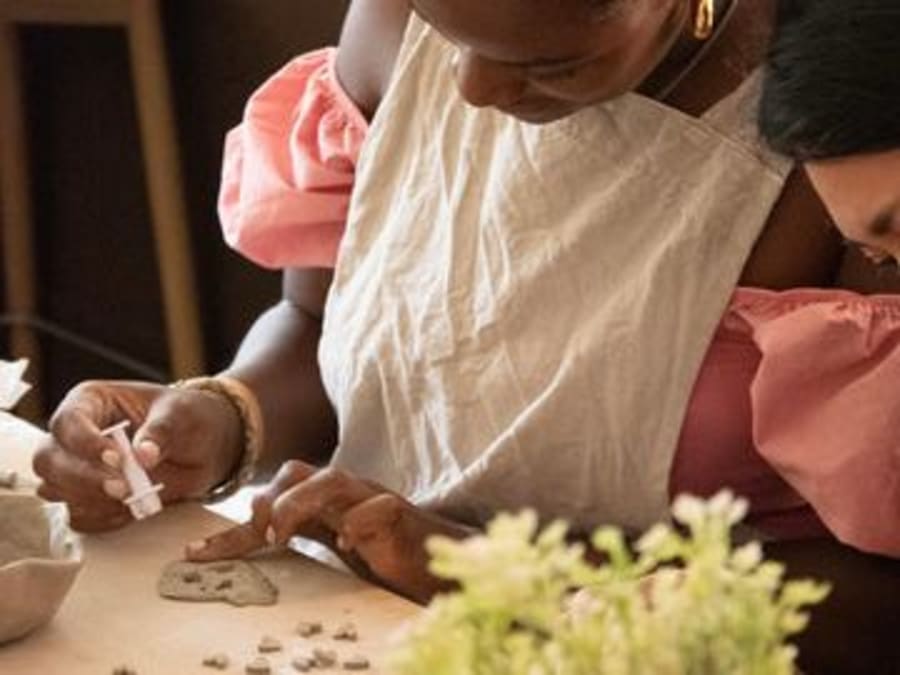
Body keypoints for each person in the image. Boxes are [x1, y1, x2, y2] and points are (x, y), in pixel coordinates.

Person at [30, 0, 899, 661]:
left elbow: (877, 596)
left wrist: (508, 579)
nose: (472, 90)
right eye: (447, 36)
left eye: (548, 62)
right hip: (352, 621)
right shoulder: (399, 22)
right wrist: (226, 414)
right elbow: (314, 319)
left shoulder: (848, 140)